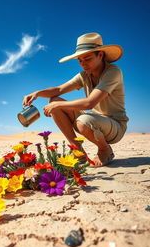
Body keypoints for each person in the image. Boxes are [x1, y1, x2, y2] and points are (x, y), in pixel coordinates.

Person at [22, 32, 129, 167]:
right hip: (95, 123)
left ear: (100, 55)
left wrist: (58, 105)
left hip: (115, 126)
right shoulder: (84, 76)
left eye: (87, 59)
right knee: (54, 101)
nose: (83, 64)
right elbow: (59, 90)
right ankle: (78, 152)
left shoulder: (113, 72)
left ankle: (105, 150)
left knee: (80, 120)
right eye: (80, 60)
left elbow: (90, 103)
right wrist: (37, 93)